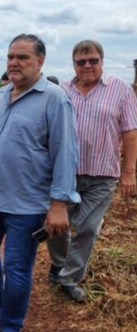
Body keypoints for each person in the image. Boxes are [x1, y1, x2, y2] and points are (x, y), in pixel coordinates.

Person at [0, 34, 80, 332]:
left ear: (40, 61)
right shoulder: (2, 95)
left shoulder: (55, 99)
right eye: (10, 56)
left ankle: (10, 325)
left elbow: (66, 153)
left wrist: (59, 204)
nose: (14, 62)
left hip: (26, 204)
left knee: (17, 268)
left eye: (23, 57)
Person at [47, 40, 137, 302]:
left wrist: (129, 172)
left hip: (103, 174)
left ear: (102, 61)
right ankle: (58, 263)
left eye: (93, 60)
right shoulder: (62, 91)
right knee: (56, 225)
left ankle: (69, 277)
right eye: (81, 61)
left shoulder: (120, 90)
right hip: (65, 174)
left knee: (87, 227)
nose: (87, 65)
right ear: (73, 64)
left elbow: (130, 133)